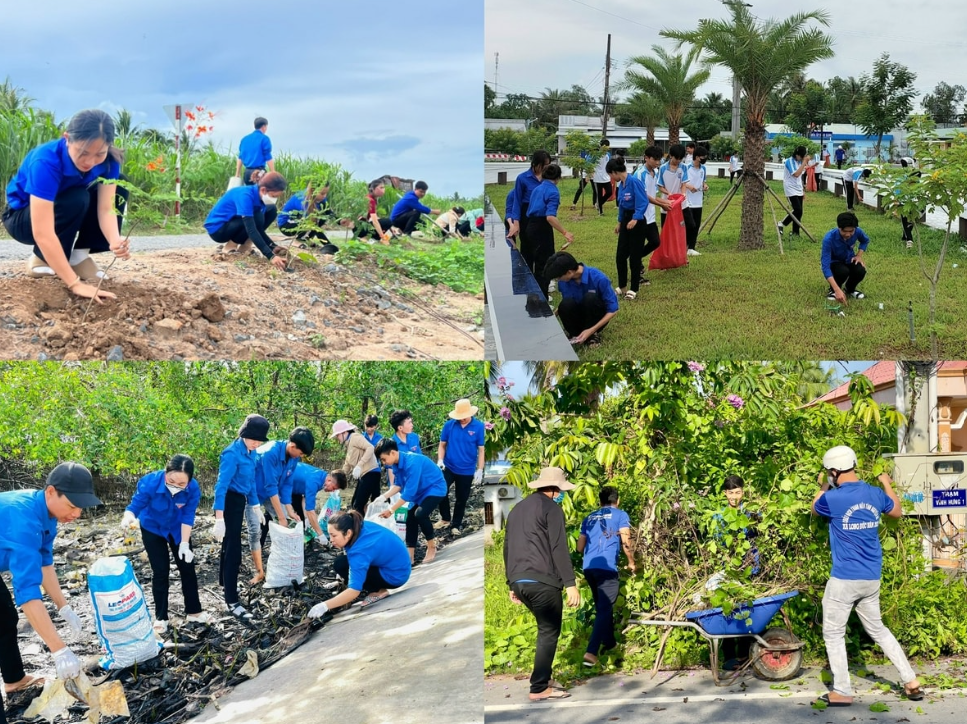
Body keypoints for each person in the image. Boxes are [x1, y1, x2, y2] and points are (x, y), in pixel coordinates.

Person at [810, 446, 924, 707]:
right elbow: (896, 511)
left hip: (844, 579)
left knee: (834, 634)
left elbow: (815, 509)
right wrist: (885, 482)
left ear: (834, 471)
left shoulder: (834, 498)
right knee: (879, 630)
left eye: (830, 473)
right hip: (871, 577)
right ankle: (911, 681)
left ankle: (841, 690)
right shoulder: (874, 493)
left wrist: (824, 486)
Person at [2, 109, 130, 303]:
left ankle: (78, 257)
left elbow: (106, 208)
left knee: (120, 183)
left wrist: (114, 240)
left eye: (99, 154)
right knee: (77, 197)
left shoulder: (110, 161)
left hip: (61, 207)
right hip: (21, 217)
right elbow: (42, 232)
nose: (90, 161)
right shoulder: (46, 160)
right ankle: (41, 258)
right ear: (67, 139)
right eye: (83, 152)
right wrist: (75, 284)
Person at [0, 463, 101, 698]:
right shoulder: (24, 521)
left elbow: (44, 562)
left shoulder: (48, 514)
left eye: (81, 508)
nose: (77, 514)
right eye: (72, 506)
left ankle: (14, 680)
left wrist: (62, 606)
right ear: (50, 492)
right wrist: (59, 650)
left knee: (5, 617)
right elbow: (27, 591)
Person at [503, 467, 581, 701]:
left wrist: (511, 583)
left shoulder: (517, 509)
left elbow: (507, 547)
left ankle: (544, 678)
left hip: (519, 580)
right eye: (560, 490)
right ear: (555, 489)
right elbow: (559, 547)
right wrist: (570, 583)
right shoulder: (552, 508)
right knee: (548, 631)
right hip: (542, 580)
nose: (561, 494)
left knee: (544, 629)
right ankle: (538, 688)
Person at [120, 454, 212, 633]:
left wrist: (184, 543)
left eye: (181, 484)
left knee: (187, 567)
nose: (175, 486)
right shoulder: (150, 482)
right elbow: (135, 506)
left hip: (178, 530)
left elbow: (188, 515)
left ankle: (194, 611)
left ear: (189, 481)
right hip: (153, 528)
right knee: (160, 571)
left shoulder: (193, 488)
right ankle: (161, 617)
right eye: (171, 480)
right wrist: (128, 516)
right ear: (166, 472)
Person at [212, 414, 267, 620]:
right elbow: (221, 486)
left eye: (260, 440)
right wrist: (219, 518)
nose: (256, 443)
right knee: (234, 549)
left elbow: (251, 481)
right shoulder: (231, 454)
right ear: (244, 434)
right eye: (253, 439)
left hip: (241, 500)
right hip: (228, 502)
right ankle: (232, 601)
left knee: (230, 545)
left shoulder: (252, 453)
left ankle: (224, 582)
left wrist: (255, 505)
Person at [306, 510, 411, 616]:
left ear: (348, 533)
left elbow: (354, 591)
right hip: (400, 565)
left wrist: (324, 606)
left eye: (334, 535)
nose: (331, 540)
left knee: (341, 565)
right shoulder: (358, 525)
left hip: (395, 576)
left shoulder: (359, 551)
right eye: (330, 535)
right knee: (342, 562)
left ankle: (378, 591)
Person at [248, 426, 315, 584]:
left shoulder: (293, 457)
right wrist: (280, 516)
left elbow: (287, 484)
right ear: (292, 446)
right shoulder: (270, 453)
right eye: (301, 453)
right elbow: (270, 486)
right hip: (253, 492)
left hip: (271, 491)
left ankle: (284, 566)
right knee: (255, 530)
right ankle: (259, 572)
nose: (301, 456)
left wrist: (289, 510)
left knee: (287, 523)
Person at [577, 485, 635, 668]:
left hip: (589, 568)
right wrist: (631, 561)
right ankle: (591, 652)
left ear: (600, 501)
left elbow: (579, 547)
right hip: (607, 568)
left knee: (604, 607)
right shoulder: (620, 515)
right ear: (617, 501)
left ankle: (610, 644)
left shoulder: (589, 518)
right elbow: (626, 540)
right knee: (604, 609)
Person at [375, 438, 447, 564]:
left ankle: (431, 546)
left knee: (420, 514)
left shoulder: (412, 462)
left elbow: (408, 493)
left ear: (392, 453)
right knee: (410, 519)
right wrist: (383, 497)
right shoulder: (396, 464)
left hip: (435, 488)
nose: (384, 463)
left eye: (383, 459)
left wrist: (391, 510)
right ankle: (410, 556)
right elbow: (398, 485)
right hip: (420, 492)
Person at [715, 475, 761, 669]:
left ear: (743, 491)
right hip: (730, 569)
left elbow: (760, 532)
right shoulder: (721, 515)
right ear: (725, 494)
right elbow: (719, 543)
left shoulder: (750, 512)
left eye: (738, 492)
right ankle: (728, 657)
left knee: (748, 609)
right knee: (728, 609)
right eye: (731, 493)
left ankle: (746, 654)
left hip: (751, 567)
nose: (735, 496)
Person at [204, 170, 289, 270]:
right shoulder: (245, 196)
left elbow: (258, 228)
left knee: (271, 210)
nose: (275, 199)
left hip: (234, 222)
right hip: (219, 230)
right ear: (263, 190)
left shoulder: (259, 197)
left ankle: (245, 247)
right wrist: (271, 256)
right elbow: (252, 229)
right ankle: (230, 247)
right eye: (274, 196)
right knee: (256, 216)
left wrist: (272, 246)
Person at [543, 251, 619, 347]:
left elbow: (613, 310)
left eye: (558, 277)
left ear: (569, 272)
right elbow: (567, 302)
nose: (558, 280)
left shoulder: (599, 278)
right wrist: (552, 316)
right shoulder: (564, 282)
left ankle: (592, 335)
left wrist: (591, 330)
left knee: (590, 298)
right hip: (578, 316)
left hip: (595, 317)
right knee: (566, 303)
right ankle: (574, 334)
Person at [435, 398, 485, 536]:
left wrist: (479, 469)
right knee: (440, 490)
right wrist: (440, 460)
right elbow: (442, 445)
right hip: (449, 466)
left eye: (464, 416)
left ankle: (455, 525)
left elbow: (481, 450)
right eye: (459, 417)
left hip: (467, 469)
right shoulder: (449, 425)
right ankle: (445, 518)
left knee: (461, 499)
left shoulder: (479, 427)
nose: (462, 419)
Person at [525, 164, 573, 299]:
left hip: (530, 227)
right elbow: (550, 217)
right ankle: (542, 300)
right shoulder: (553, 191)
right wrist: (565, 232)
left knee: (536, 263)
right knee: (544, 265)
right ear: (558, 178)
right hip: (542, 228)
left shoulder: (537, 189)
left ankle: (536, 295)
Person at [608, 157, 651, 301]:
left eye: (610, 175)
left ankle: (634, 288)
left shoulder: (634, 182)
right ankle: (622, 286)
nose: (611, 178)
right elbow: (622, 205)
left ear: (615, 172)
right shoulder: (622, 185)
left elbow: (643, 201)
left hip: (637, 222)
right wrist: (620, 222)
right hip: (626, 220)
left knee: (634, 256)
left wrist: (635, 218)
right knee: (620, 255)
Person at [632, 146, 672, 288]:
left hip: (650, 216)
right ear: (646, 158)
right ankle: (636, 276)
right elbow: (644, 196)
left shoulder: (654, 173)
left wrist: (665, 201)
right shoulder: (640, 174)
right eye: (655, 159)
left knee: (655, 241)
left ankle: (635, 259)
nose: (657, 162)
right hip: (639, 216)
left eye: (659, 160)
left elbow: (653, 194)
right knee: (638, 245)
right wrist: (661, 205)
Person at [330, 420, 382, 516]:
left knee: (358, 505)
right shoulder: (348, 443)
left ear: (344, 432)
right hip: (366, 474)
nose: (337, 438)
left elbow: (370, 447)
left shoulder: (355, 437)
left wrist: (359, 465)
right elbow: (347, 464)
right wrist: (336, 480)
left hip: (371, 473)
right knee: (364, 503)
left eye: (337, 435)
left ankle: (360, 528)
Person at [288, 463, 347, 542]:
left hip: (294, 488)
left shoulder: (322, 477)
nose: (332, 491)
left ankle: (300, 543)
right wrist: (320, 534)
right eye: (333, 488)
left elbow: (305, 499)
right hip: (280, 483)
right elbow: (310, 510)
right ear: (329, 480)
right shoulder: (314, 482)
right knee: (277, 517)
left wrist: (307, 519)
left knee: (301, 518)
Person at [822, 211, 870, 304]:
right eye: (844, 231)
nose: (848, 234)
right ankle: (833, 290)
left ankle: (850, 290)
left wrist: (858, 256)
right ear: (839, 228)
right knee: (842, 271)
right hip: (835, 263)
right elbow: (825, 267)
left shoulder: (858, 231)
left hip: (849, 259)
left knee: (860, 270)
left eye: (851, 231)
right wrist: (837, 289)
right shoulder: (829, 239)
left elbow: (865, 241)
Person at [277, 182, 342, 250]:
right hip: (286, 224)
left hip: (300, 221)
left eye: (326, 193)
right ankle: (297, 241)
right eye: (322, 193)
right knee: (313, 221)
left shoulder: (321, 198)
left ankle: (306, 239)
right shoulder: (303, 201)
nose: (324, 196)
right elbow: (314, 226)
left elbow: (328, 211)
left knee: (322, 218)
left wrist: (339, 221)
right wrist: (329, 245)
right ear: (313, 191)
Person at [507, 150, 551, 247]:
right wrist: (516, 223)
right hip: (527, 215)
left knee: (544, 247)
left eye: (548, 164)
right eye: (543, 165)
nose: (546, 167)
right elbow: (517, 202)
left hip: (543, 215)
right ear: (535, 163)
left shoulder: (548, 178)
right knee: (528, 246)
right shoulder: (522, 178)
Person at [778, 146, 811, 238]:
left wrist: (803, 191)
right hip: (790, 189)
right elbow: (796, 174)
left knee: (800, 212)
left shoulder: (800, 162)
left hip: (798, 188)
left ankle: (796, 233)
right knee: (797, 209)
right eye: (802, 156)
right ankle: (782, 223)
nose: (803, 158)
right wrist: (804, 163)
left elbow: (800, 177)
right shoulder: (789, 161)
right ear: (797, 155)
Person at [683, 146, 709, 257]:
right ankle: (684, 245)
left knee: (696, 225)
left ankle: (691, 248)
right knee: (689, 225)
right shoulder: (686, 167)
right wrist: (689, 186)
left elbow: (703, 181)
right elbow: (682, 182)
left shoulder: (703, 169)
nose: (704, 159)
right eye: (703, 157)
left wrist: (705, 186)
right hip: (688, 201)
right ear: (697, 157)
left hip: (698, 201)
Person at [357, 179, 400, 243]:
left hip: (362, 227)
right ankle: (365, 238)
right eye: (381, 187)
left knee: (387, 223)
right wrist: (383, 238)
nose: (383, 190)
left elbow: (375, 218)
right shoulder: (370, 200)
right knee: (387, 221)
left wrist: (390, 228)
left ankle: (368, 238)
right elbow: (375, 222)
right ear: (373, 189)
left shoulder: (372, 199)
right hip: (361, 228)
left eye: (384, 187)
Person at [235, 116, 275, 185]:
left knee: (249, 194)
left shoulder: (245, 139)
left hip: (247, 174)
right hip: (258, 173)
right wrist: (273, 172)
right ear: (264, 127)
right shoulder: (264, 139)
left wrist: (237, 174)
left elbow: (240, 157)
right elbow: (268, 157)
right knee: (261, 194)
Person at [657, 144, 687, 229]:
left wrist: (683, 194)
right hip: (667, 202)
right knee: (666, 228)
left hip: (681, 203)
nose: (678, 161)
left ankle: (684, 242)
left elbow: (684, 183)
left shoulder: (684, 167)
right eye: (676, 158)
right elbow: (660, 186)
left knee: (686, 226)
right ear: (671, 156)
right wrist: (668, 193)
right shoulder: (663, 168)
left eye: (680, 159)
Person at [898, 159, 922, 249]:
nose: (915, 182)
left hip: (914, 205)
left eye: (917, 180)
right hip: (903, 203)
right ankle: (909, 240)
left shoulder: (917, 183)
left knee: (911, 221)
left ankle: (905, 235)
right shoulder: (902, 181)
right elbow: (897, 193)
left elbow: (919, 193)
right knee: (905, 221)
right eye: (913, 181)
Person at [591, 139, 613, 216]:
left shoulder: (608, 155)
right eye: (605, 146)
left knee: (609, 192)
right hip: (597, 178)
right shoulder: (596, 155)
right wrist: (590, 173)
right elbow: (589, 163)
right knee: (599, 194)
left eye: (607, 147)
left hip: (606, 177)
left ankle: (599, 203)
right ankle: (600, 212)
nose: (606, 148)